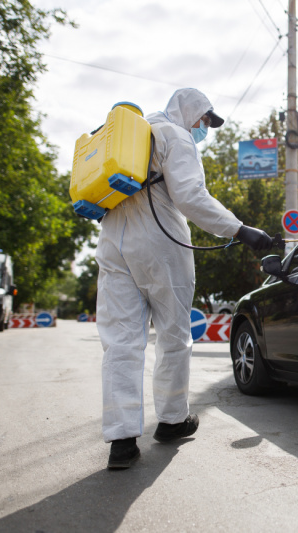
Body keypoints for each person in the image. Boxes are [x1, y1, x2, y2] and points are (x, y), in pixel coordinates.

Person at [96, 88, 273, 469]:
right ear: (192, 113)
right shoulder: (175, 135)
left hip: (112, 242)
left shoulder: (138, 134)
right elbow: (191, 196)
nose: (204, 128)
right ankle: (173, 420)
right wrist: (240, 230)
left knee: (121, 342)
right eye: (205, 120)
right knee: (174, 335)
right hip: (159, 244)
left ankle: (121, 440)